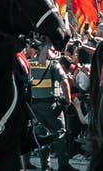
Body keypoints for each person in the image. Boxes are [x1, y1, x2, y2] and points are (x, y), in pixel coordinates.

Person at [26, 43, 75, 171]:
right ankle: (63, 165)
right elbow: (64, 82)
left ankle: (45, 166)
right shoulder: (53, 64)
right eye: (52, 50)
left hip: (34, 106)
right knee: (60, 135)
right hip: (52, 106)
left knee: (42, 135)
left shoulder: (29, 63)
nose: (55, 52)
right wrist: (68, 100)